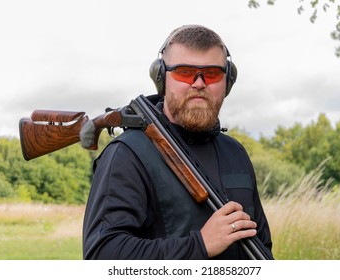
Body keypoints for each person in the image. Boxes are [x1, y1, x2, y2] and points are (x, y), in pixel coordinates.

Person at [82, 24, 273, 259]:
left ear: (228, 81)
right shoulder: (127, 154)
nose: (199, 83)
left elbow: (262, 245)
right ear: (162, 79)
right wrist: (200, 245)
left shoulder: (236, 153)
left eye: (212, 73)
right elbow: (102, 255)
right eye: (184, 72)